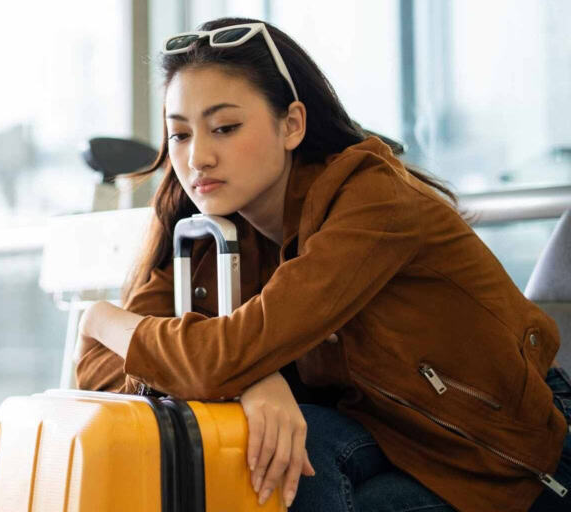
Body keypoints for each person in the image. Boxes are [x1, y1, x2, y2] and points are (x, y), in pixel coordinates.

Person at [74, 16, 570, 512]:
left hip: (507, 453)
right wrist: (249, 377)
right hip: (384, 433)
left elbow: (207, 357)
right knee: (265, 451)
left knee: (288, 466)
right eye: (180, 135)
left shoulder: (372, 201)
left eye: (225, 128)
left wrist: (103, 319)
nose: (198, 157)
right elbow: (98, 371)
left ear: (292, 125)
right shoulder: (212, 231)